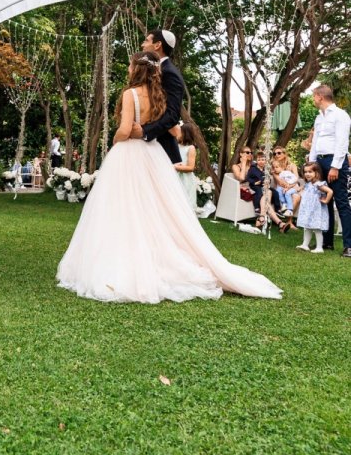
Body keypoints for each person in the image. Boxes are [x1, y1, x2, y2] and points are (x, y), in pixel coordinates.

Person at [56, 51, 282, 304]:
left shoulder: (129, 94)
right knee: (153, 207)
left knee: (121, 205)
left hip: (129, 154)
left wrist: (116, 140)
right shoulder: (159, 96)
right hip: (153, 154)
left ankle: (123, 260)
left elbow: (124, 129)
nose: (129, 69)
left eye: (130, 65)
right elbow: (168, 126)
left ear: (136, 69)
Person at [309, 84, 351, 256]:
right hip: (320, 162)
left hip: (335, 162)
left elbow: (342, 142)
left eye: (313, 96)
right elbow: (315, 141)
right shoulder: (319, 117)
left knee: (341, 202)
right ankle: (326, 242)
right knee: (324, 201)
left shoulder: (341, 115)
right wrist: (311, 163)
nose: (313, 99)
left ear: (320, 96)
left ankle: (349, 246)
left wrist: (335, 166)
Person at [130, 29, 184, 164]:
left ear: (157, 45)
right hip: (139, 147)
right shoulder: (150, 71)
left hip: (160, 148)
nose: (143, 45)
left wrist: (144, 131)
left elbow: (172, 114)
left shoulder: (169, 73)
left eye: (146, 40)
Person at [296, 162, 333, 253]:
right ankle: (305, 244)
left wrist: (326, 200)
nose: (307, 174)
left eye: (310, 171)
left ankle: (319, 247)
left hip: (316, 211)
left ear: (316, 173)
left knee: (317, 229)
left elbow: (330, 191)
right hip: (308, 210)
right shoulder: (308, 184)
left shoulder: (318, 184)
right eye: (305, 172)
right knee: (307, 227)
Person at [173, 121, 198, 212]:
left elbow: (191, 167)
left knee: (185, 203)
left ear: (185, 133)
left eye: (180, 131)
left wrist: (175, 167)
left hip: (185, 179)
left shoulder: (191, 148)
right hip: (175, 177)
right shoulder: (176, 145)